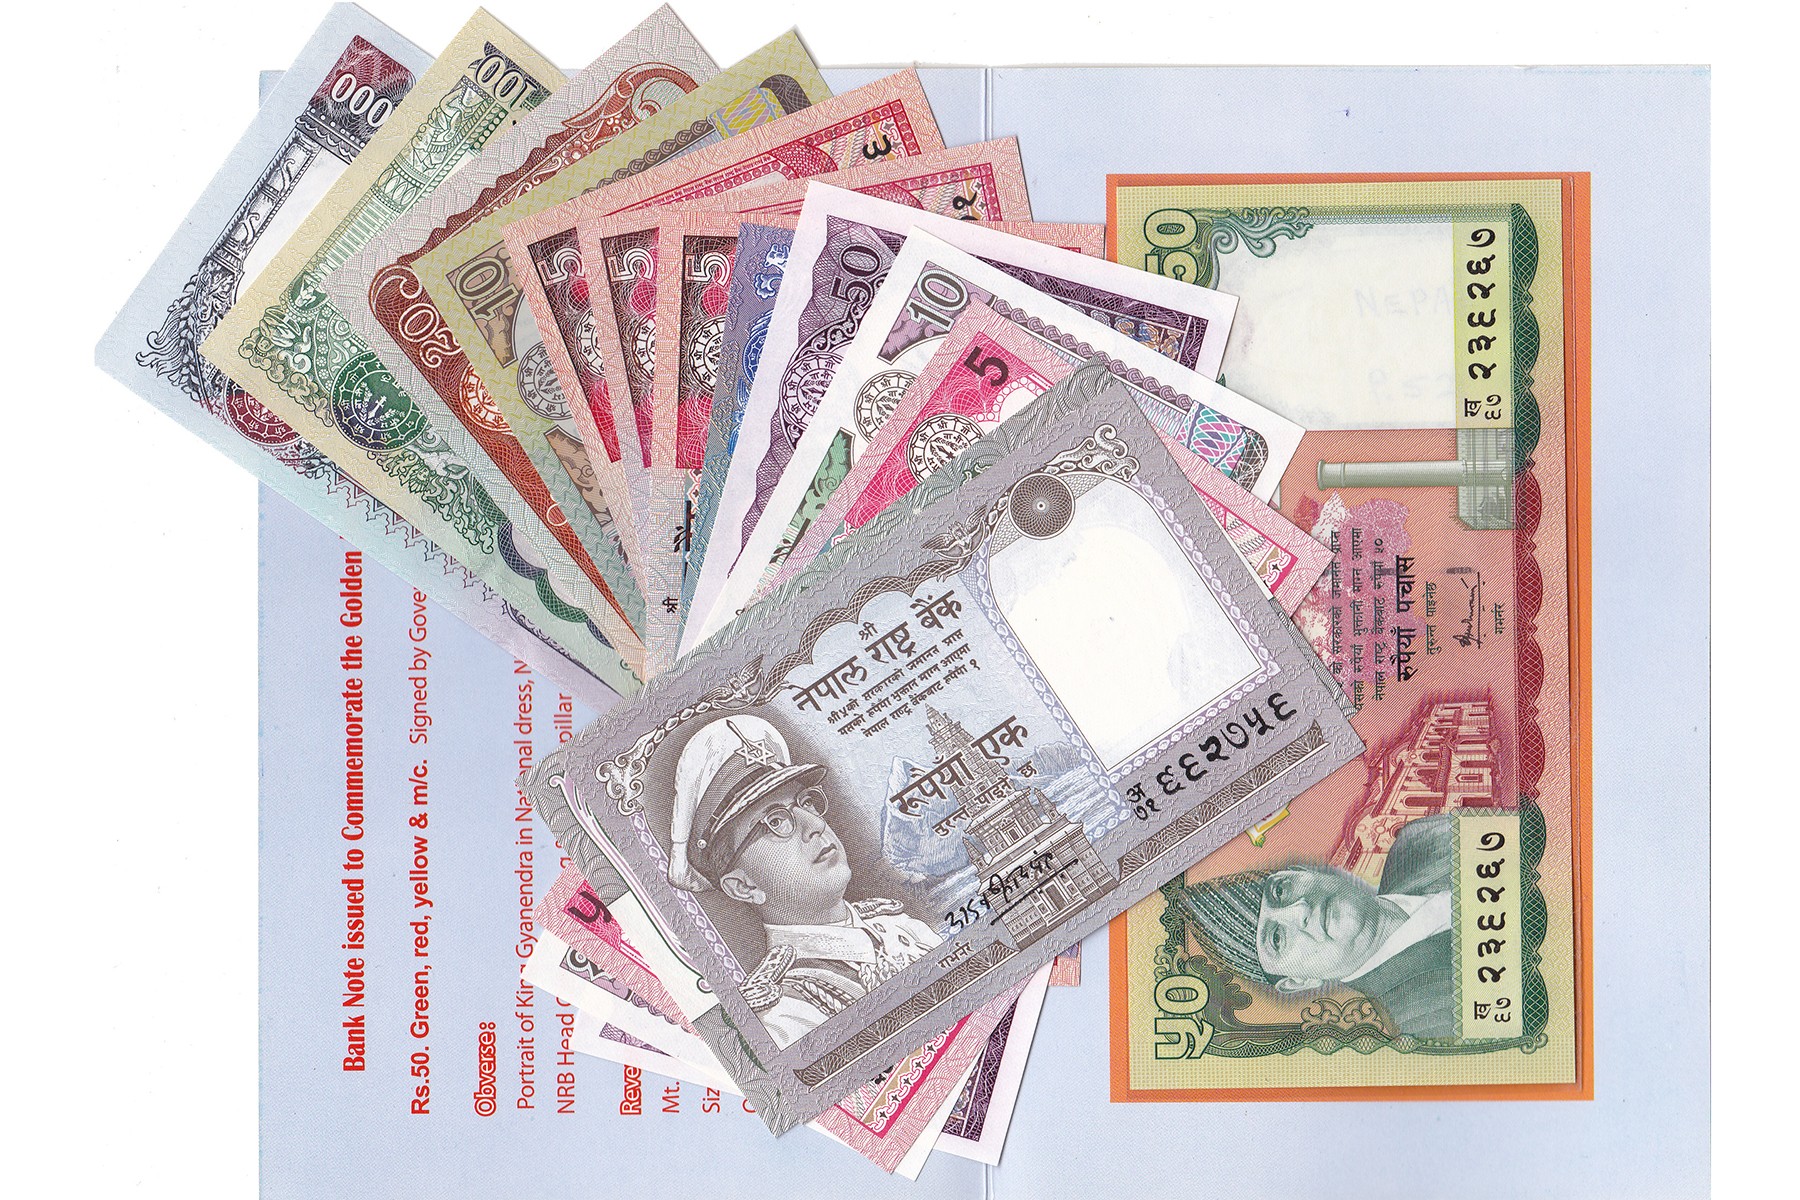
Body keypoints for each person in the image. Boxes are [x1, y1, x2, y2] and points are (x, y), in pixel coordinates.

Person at [667, 713, 941, 1048]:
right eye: (776, 821)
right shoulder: (785, 1018)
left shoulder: (903, 928)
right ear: (744, 886)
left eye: (806, 803)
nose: (815, 824)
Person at [1177, 814, 1457, 1038]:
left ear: (1304, 872)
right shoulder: (1424, 1020)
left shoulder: (1420, 842)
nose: (1300, 910)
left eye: (1280, 891)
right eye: (1277, 938)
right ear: (1298, 981)